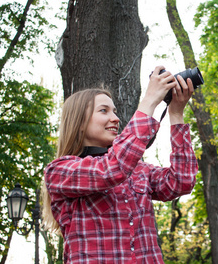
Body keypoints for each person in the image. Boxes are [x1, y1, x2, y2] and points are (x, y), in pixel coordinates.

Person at [42, 66, 198, 263]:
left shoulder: (139, 169)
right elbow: (111, 170)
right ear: (79, 122)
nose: (115, 118)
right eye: (103, 111)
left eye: (115, 112)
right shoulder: (59, 172)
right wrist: (149, 100)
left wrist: (176, 114)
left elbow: (181, 182)